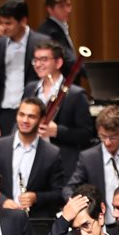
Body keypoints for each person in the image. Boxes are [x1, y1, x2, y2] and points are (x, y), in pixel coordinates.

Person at [62, 106, 119, 215]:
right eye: (103, 136)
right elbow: (69, 189)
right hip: (101, 223)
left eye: (112, 137)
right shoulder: (88, 158)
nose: (107, 142)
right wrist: (78, 206)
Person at [0, 96, 65, 215]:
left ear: (42, 120)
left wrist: (36, 197)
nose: (25, 120)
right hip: (1, 216)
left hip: (35, 221)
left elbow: (59, 193)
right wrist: (3, 201)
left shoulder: (52, 153)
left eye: (31, 116)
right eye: (21, 114)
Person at [29, 40, 93, 176]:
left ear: (58, 63)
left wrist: (58, 131)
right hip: (32, 158)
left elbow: (86, 134)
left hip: (62, 163)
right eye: (36, 60)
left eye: (44, 59)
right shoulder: (30, 89)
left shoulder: (76, 94)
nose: (38, 64)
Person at [0, 0, 47, 138]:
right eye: (2, 23)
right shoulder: (0, 44)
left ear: (23, 21)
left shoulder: (41, 43)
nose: (3, 28)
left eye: (8, 23)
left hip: (30, 109)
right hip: (5, 110)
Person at [36, 0, 76, 66]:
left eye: (68, 5)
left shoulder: (60, 27)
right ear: (50, 9)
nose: (67, 10)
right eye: (61, 6)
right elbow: (68, 60)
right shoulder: (48, 32)